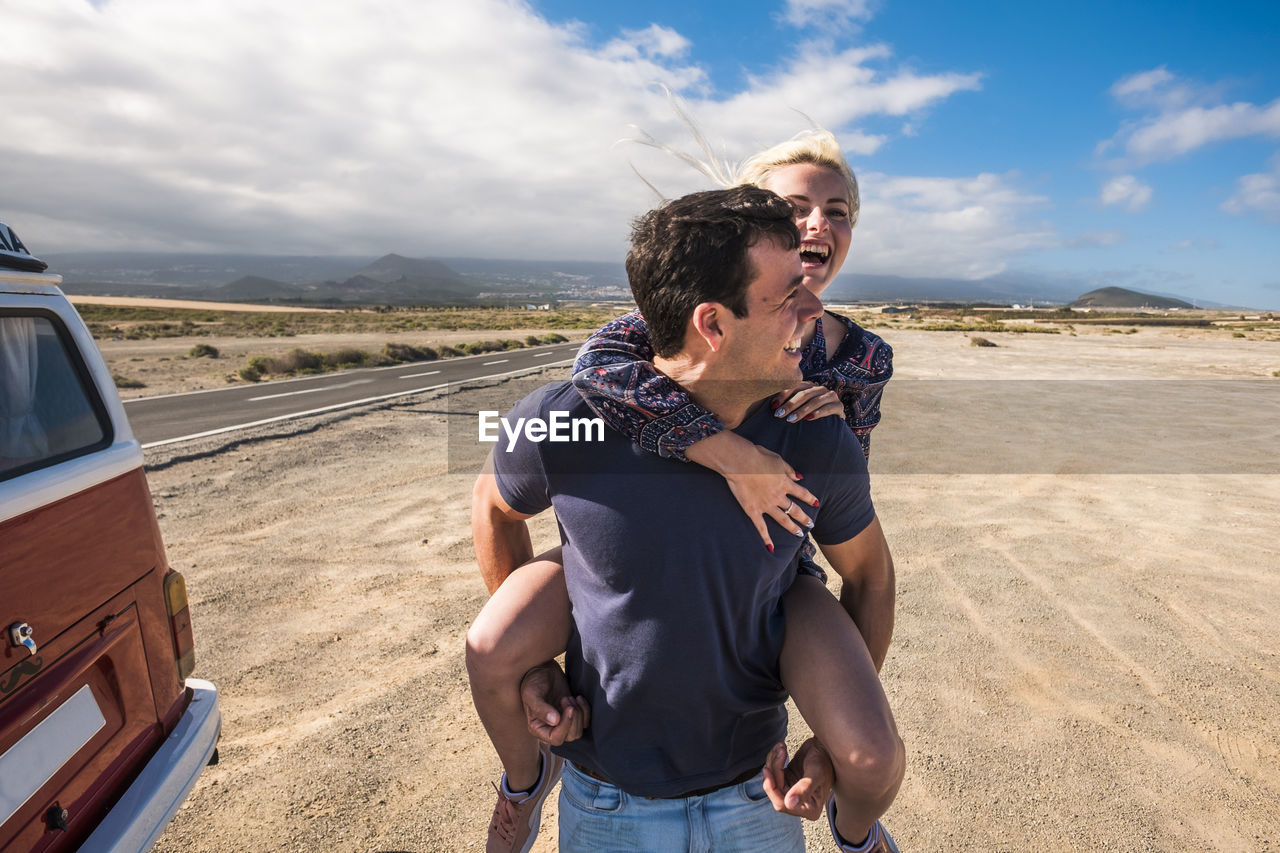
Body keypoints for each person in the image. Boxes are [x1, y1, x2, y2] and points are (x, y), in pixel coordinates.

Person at [469, 185, 903, 853]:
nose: (813, 309)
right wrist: (532, 669)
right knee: (491, 645)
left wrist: (822, 743)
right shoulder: (564, 420)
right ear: (712, 323)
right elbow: (494, 505)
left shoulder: (812, 435)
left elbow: (870, 573)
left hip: (757, 796)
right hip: (606, 800)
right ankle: (524, 786)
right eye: (787, 296)